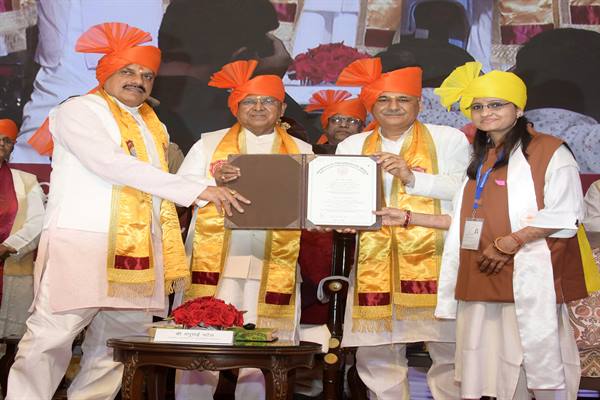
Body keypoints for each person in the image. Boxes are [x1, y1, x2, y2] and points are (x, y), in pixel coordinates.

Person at [6, 23, 247, 400]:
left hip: (140, 251)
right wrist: (198, 189)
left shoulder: (154, 125)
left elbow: (159, 179)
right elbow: (112, 164)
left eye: (147, 76)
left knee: (116, 347)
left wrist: (214, 176)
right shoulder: (77, 110)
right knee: (52, 337)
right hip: (84, 240)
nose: (139, 80)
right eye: (129, 71)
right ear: (105, 74)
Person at [434, 61, 588, 400]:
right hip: (480, 272)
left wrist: (511, 242)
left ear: (518, 109)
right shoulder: (484, 156)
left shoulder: (550, 150)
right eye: (478, 106)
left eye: (495, 104)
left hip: (529, 274)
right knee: (487, 364)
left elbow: (565, 213)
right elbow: (464, 216)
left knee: (537, 356)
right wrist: (405, 215)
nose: (485, 113)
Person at [175, 59, 313, 400]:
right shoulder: (208, 145)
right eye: (249, 101)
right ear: (236, 107)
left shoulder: (305, 152)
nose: (258, 107)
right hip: (216, 261)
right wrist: (212, 182)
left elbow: (312, 209)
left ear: (281, 108)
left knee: (263, 348)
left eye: (267, 101)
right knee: (201, 342)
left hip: (271, 263)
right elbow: (179, 189)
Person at [334, 57, 470, 399]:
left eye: (403, 99)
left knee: (450, 354)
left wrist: (412, 177)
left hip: (436, 262)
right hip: (372, 264)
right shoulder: (351, 146)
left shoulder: (448, 138)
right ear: (371, 105)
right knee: (376, 354)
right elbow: (339, 195)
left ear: (419, 104)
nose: (393, 106)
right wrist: (341, 219)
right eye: (383, 99)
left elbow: (464, 189)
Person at [0, 119, 44, 338]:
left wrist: (9, 246)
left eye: (6, 141)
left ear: (13, 147)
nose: (1, 144)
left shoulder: (26, 181)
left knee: (10, 340)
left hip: (13, 271)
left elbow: (38, 221)